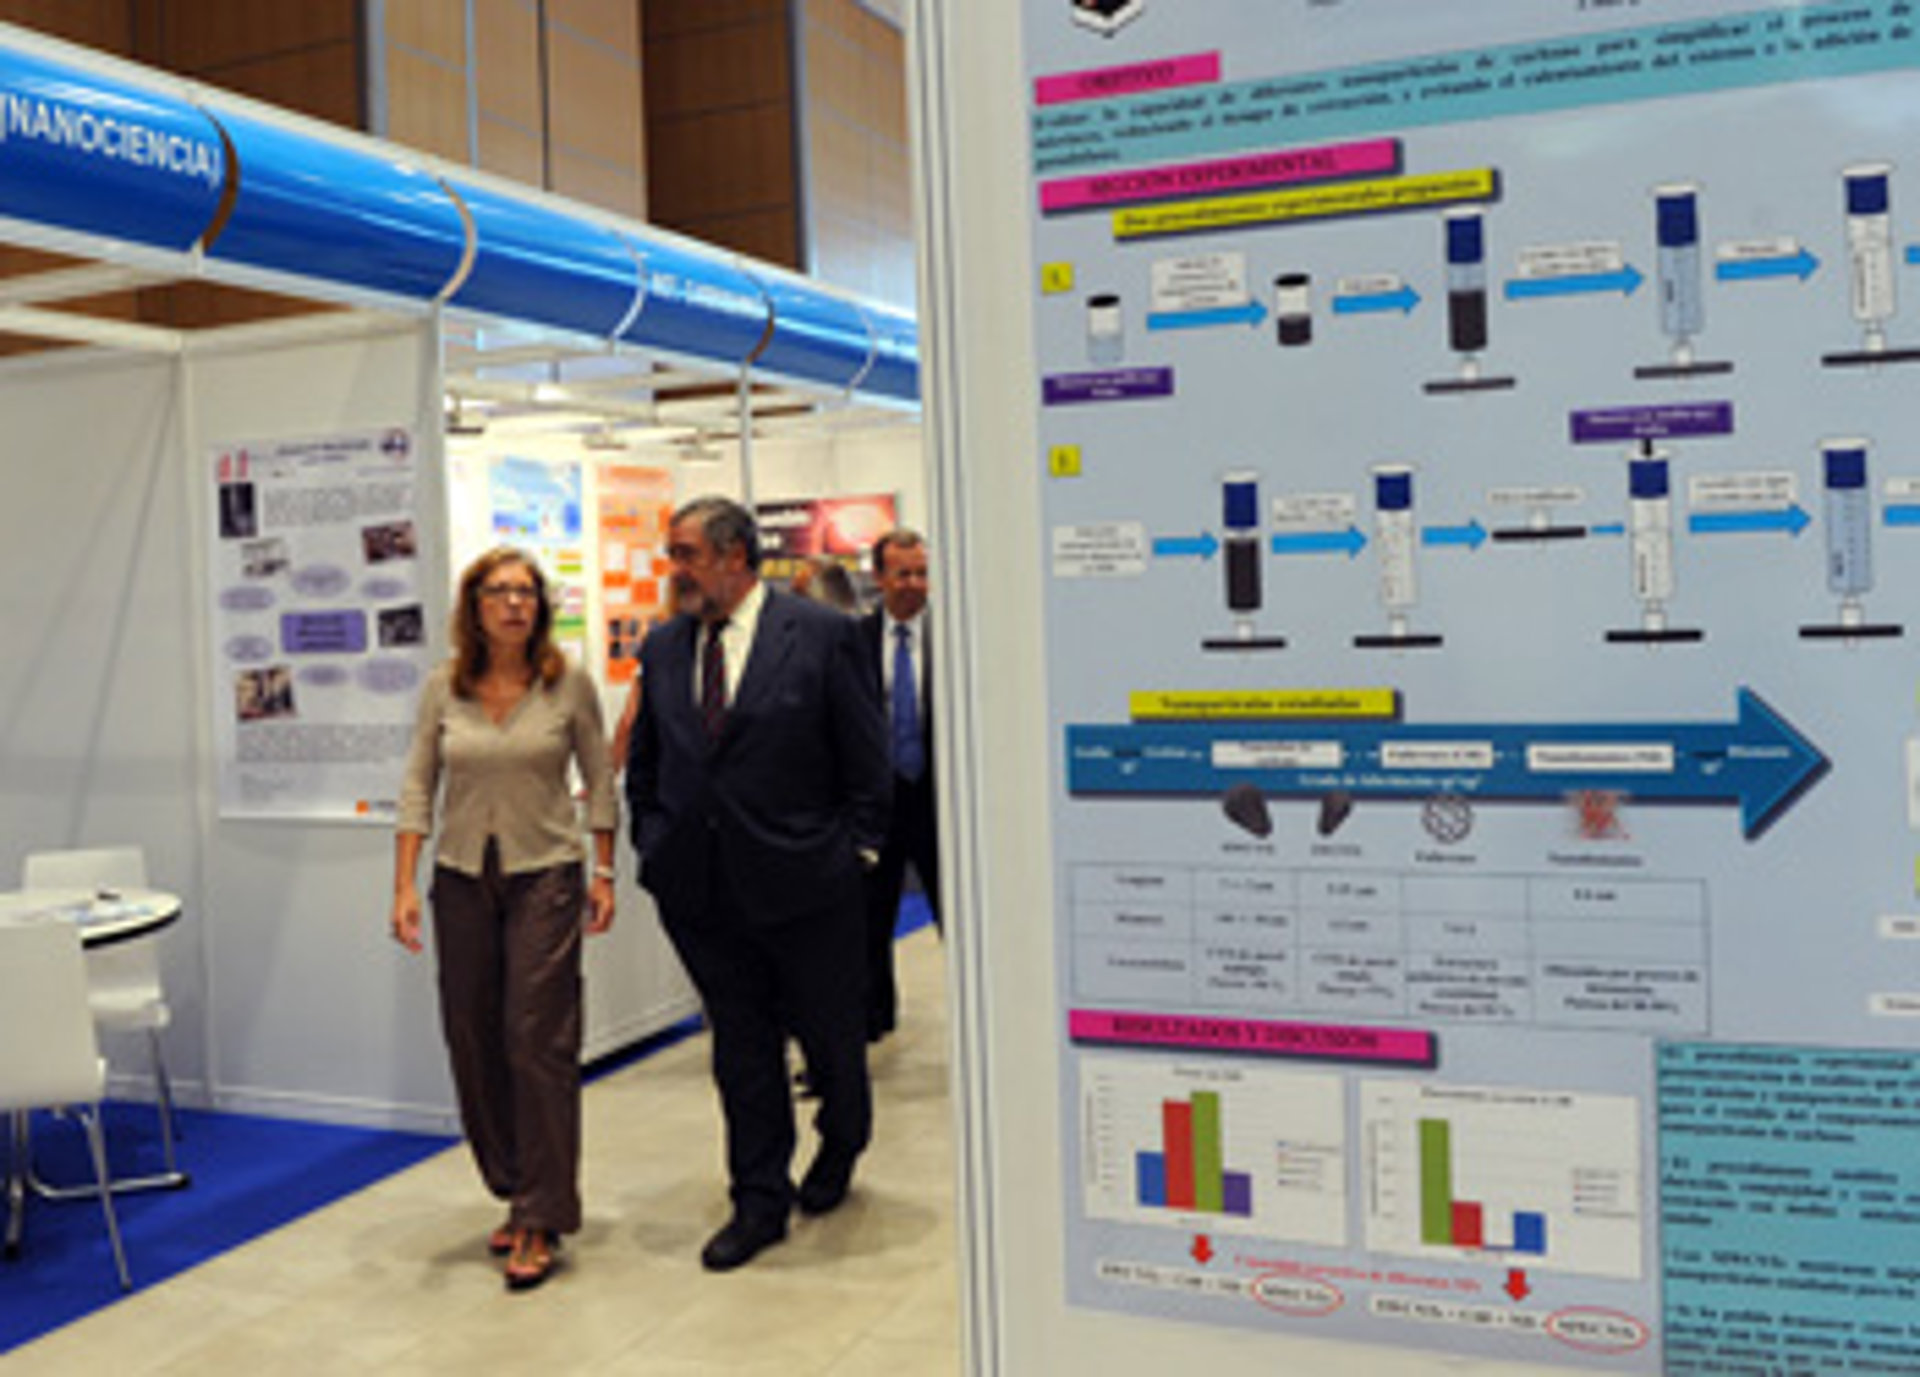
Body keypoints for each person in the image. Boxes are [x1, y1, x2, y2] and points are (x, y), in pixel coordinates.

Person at [626, 496, 889, 1271]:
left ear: (735, 556)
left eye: (685, 554)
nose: (674, 569)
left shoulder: (823, 635)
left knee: (831, 1039)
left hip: (809, 884)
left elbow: (866, 758)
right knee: (741, 1050)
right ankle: (758, 1199)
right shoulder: (665, 645)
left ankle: (842, 1141)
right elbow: (648, 761)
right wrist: (653, 840)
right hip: (703, 891)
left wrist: (856, 854)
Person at [391, 547, 617, 1293]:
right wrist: (403, 884)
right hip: (461, 877)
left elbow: (600, 778)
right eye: (499, 591)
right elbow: (418, 783)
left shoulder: (567, 682)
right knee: (471, 1032)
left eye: (526, 592)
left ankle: (542, 1214)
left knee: (535, 1035)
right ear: (475, 605)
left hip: (545, 873)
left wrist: (605, 869)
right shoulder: (443, 687)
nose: (514, 603)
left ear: (540, 607)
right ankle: (516, 1184)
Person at [861, 528, 940, 1043]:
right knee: (869, 923)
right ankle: (872, 1020)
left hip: (940, 805)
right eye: (902, 573)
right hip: (879, 805)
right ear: (879, 578)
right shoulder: (856, 640)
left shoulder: (954, 636)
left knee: (959, 918)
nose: (913, 583)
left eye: (921, 573)